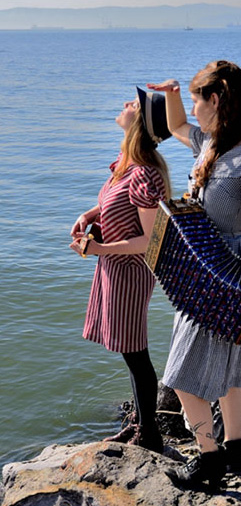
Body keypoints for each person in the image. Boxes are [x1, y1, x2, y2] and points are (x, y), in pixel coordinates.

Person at [148, 60, 241, 486]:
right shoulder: (210, 140)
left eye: (195, 99)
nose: (191, 108)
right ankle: (236, 449)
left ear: (217, 100)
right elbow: (175, 127)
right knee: (226, 369)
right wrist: (170, 94)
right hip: (196, 271)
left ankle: (209, 459)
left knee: (180, 376)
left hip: (228, 274)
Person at [70, 87, 172, 454]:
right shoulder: (126, 164)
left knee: (136, 353)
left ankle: (151, 434)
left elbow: (149, 240)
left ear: (141, 124)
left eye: (134, 104)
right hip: (113, 267)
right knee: (130, 351)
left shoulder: (145, 174)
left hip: (130, 270)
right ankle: (139, 424)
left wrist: (96, 247)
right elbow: (112, 205)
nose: (127, 104)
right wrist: (89, 215)